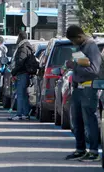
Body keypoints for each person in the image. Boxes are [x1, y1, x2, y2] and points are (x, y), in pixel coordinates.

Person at [65, 25, 102, 162]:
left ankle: (93, 151)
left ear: (79, 37)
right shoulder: (81, 47)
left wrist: (74, 66)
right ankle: (80, 149)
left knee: (89, 120)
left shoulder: (91, 47)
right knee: (77, 120)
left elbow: (94, 70)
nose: (73, 43)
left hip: (88, 88)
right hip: (78, 88)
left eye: (73, 40)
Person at [9, 31, 33, 120]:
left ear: (20, 37)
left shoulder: (23, 47)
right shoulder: (27, 46)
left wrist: (13, 72)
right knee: (23, 95)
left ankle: (19, 114)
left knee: (20, 94)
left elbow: (20, 62)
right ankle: (25, 114)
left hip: (21, 74)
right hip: (24, 73)